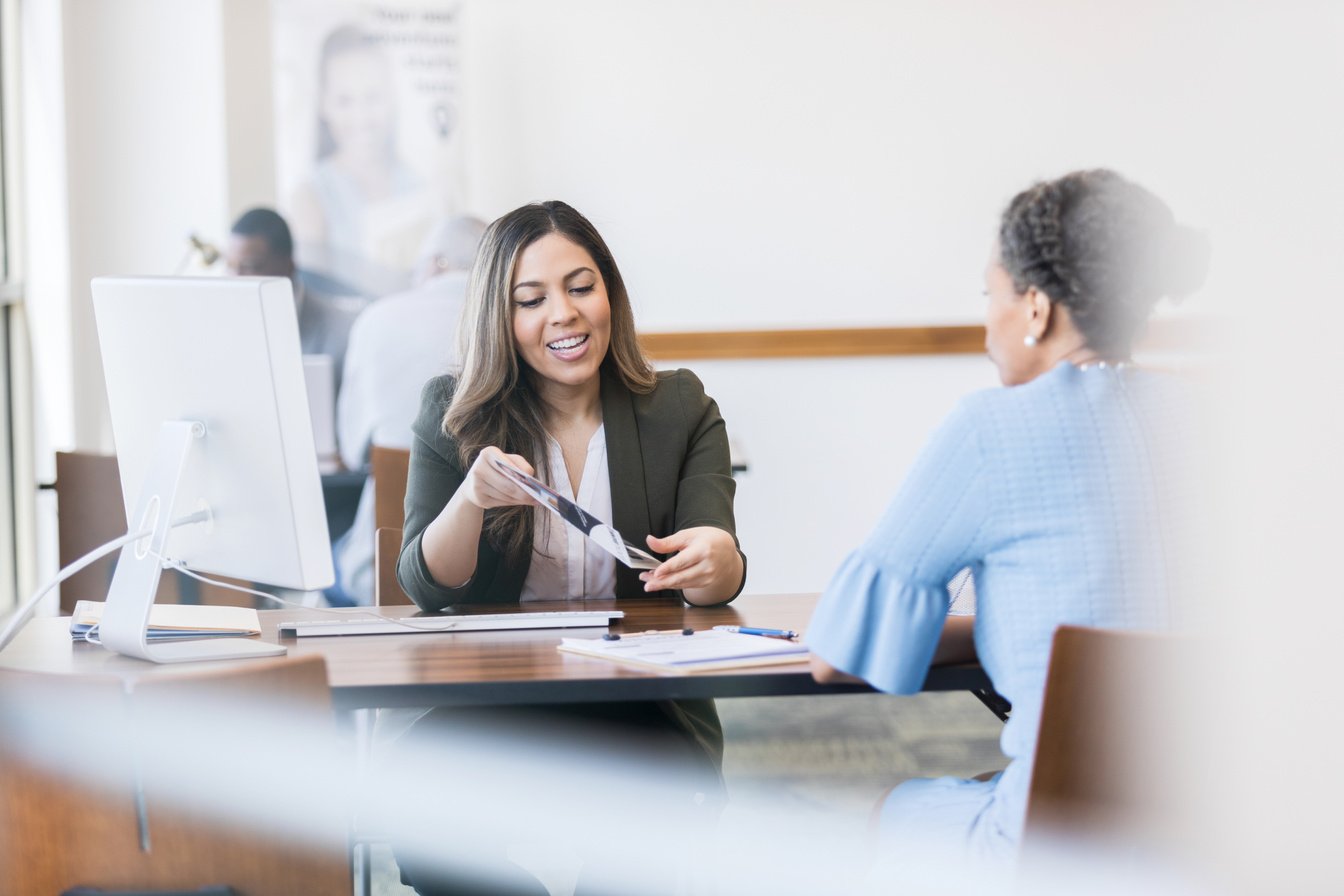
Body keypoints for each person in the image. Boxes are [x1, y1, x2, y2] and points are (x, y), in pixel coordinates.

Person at [807, 169, 1208, 869]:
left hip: (1051, 844)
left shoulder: (991, 429)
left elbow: (835, 655)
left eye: (988, 294)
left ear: (1035, 307)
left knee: (880, 811)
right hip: (1217, 835)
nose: (986, 321)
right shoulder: (1213, 419)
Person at [393, 201, 746, 895]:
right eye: (532, 299)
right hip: (495, 701)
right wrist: (469, 499)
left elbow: (718, 571)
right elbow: (426, 587)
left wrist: (714, 558)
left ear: (609, 292)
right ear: (501, 317)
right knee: (420, 806)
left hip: (643, 705)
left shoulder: (678, 407)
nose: (564, 313)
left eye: (581, 287)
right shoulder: (451, 411)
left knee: (652, 829)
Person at [327, 215, 487, 606]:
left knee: (328, 561)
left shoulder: (377, 319)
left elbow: (352, 451)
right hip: (489, 569)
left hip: (381, 564)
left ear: (434, 263)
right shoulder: (507, 318)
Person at [288, 24, 432, 298]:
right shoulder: (310, 197)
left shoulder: (417, 183)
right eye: (345, 101)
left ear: (392, 98)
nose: (362, 117)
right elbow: (315, 299)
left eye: (373, 97)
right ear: (324, 104)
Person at [224, 207, 363, 396]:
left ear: (288, 267)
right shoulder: (225, 328)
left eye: (249, 267)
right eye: (231, 267)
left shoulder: (343, 334)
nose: (236, 280)